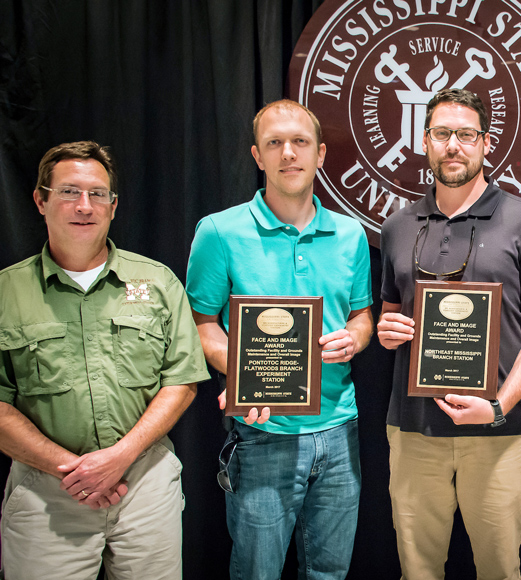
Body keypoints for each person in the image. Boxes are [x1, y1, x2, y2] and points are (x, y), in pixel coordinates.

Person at [376, 88, 521, 579]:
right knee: (416, 571)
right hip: (413, 429)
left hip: (498, 432)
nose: (453, 146)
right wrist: (386, 330)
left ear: (485, 143)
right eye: (442, 134)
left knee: (501, 571)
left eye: (465, 135)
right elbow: (388, 315)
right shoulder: (398, 225)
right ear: (425, 141)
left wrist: (500, 405)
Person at [0, 141, 210, 579]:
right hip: (46, 493)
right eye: (68, 192)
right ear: (40, 200)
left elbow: (182, 380)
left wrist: (118, 458)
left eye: (98, 194)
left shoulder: (156, 282)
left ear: (113, 206)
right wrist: (73, 470)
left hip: (145, 485)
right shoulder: (7, 293)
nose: (84, 205)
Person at [186, 100, 373, 580]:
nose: (289, 154)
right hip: (262, 434)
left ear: (321, 154)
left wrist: (353, 338)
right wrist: (244, 372)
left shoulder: (350, 234)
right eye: (275, 143)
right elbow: (200, 322)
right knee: (256, 573)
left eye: (300, 142)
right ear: (257, 155)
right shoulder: (219, 232)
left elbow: (361, 316)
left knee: (331, 573)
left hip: (339, 433)